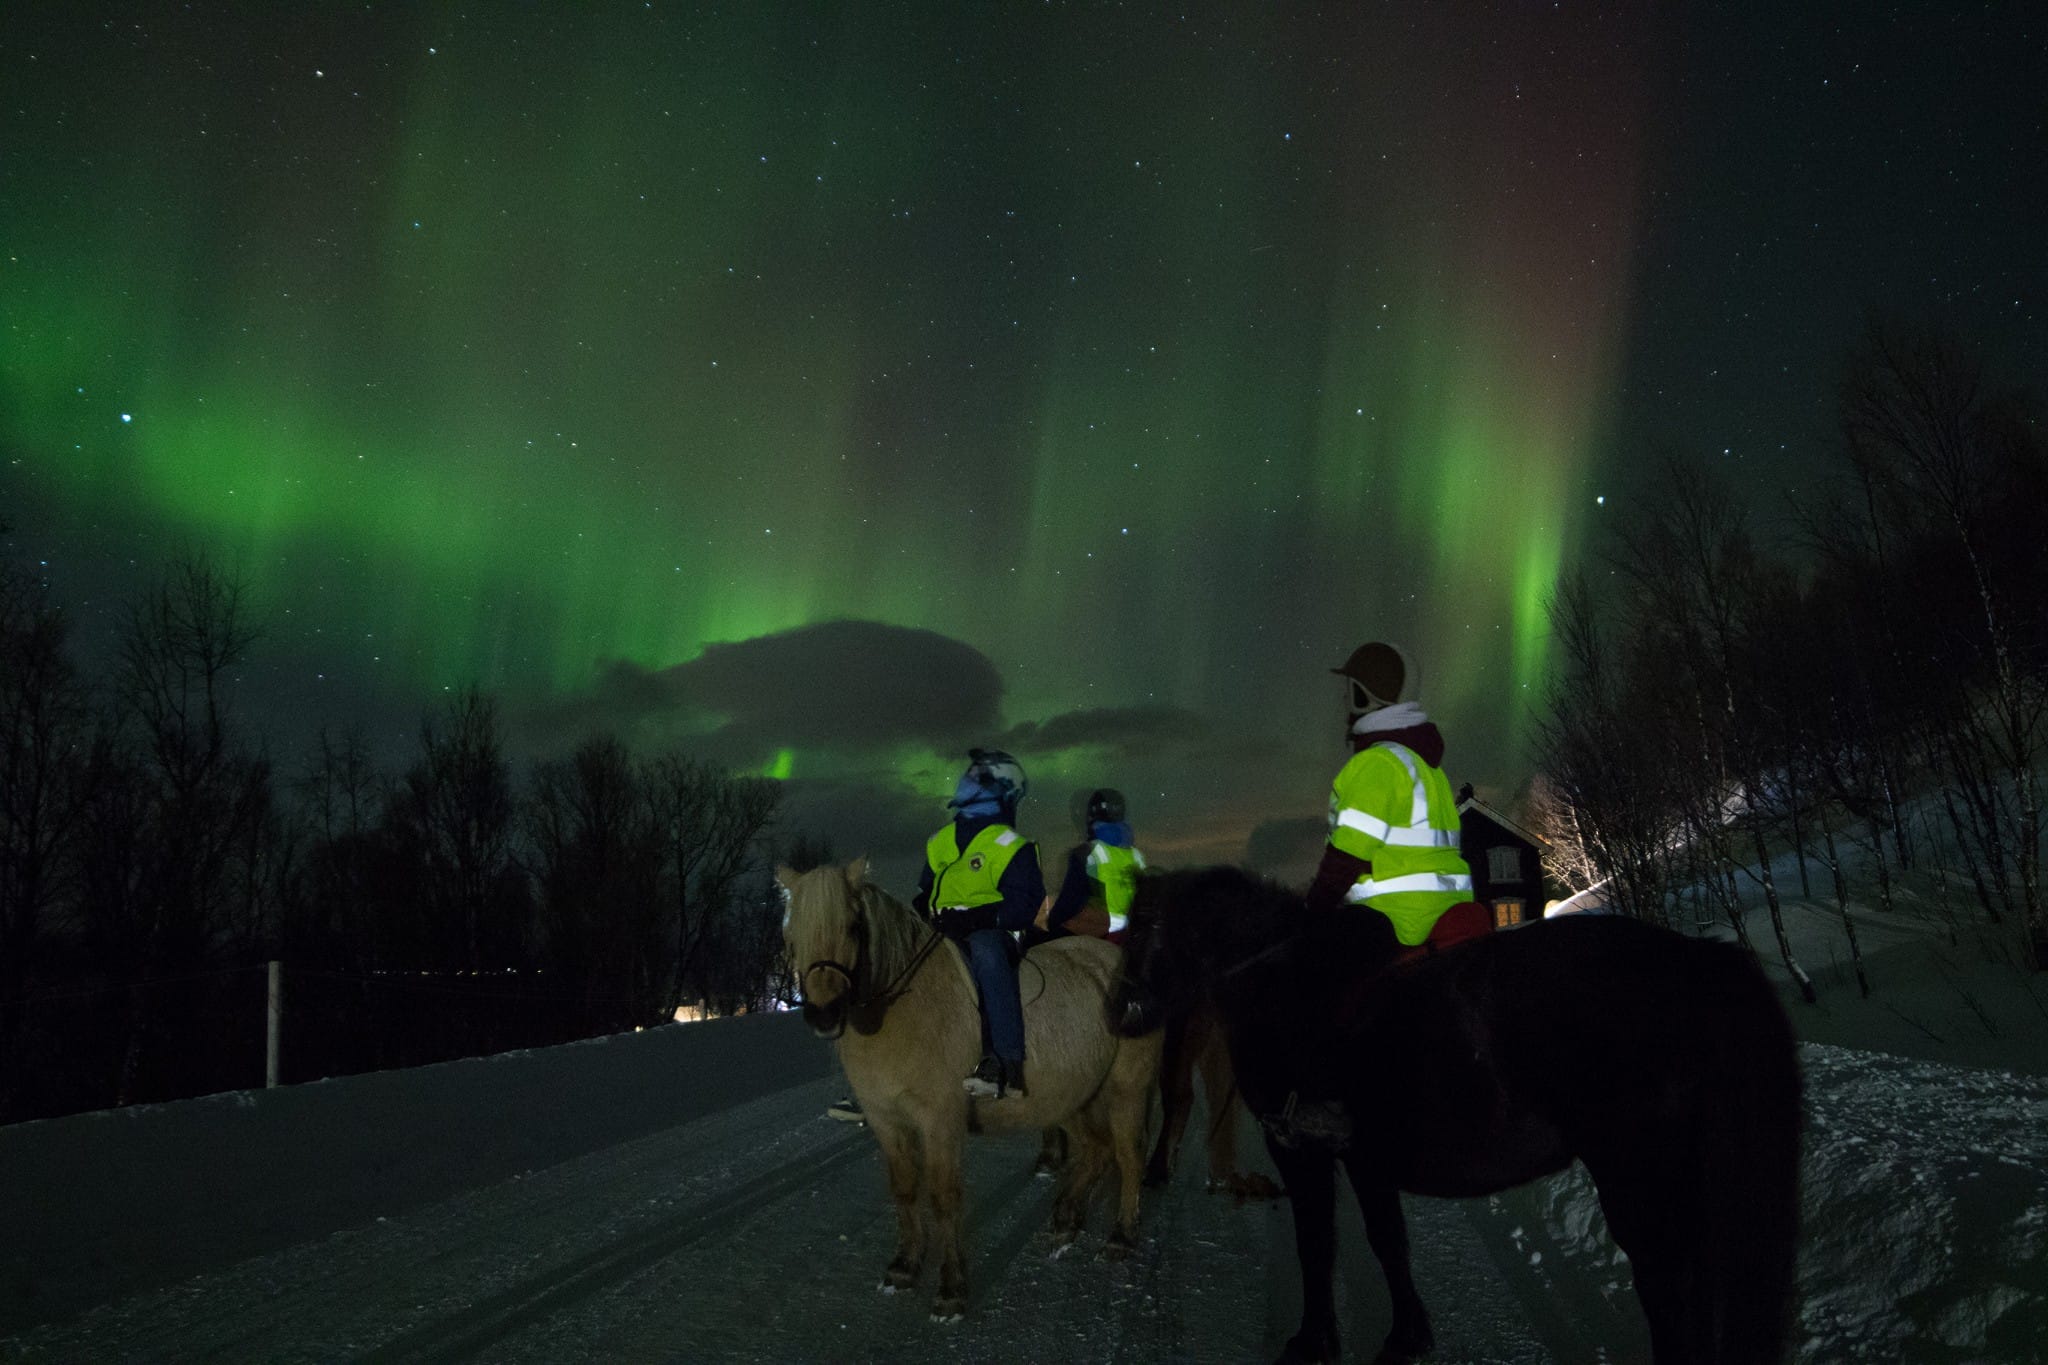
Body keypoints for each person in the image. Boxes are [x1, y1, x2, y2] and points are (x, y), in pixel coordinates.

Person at [1262, 639, 1475, 1149]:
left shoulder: (1376, 764)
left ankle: (1324, 1104)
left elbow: (1345, 857)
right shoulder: (1427, 767)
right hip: (1448, 908)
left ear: (1366, 695)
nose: (1343, 703)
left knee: (1309, 971)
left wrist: (1313, 911)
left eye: (1349, 692)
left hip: (1394, 913)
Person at [917, 747, 1044, 1099]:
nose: (967, 780)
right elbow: (925, 890)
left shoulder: (1010, 845)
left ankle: (1005, 1062)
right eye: (970, 774)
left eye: (977, 776)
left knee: (986, 951)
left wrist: (974, 918)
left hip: (993, 933)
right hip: (943, 930)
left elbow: (1024, 903)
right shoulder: (940, 840)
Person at [1032, 788, 1147, 945]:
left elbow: (1071, 902)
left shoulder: (1086, 852)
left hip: (1101, 928)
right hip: (1130, 928)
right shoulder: (1137, 855)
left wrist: (1049, 922)